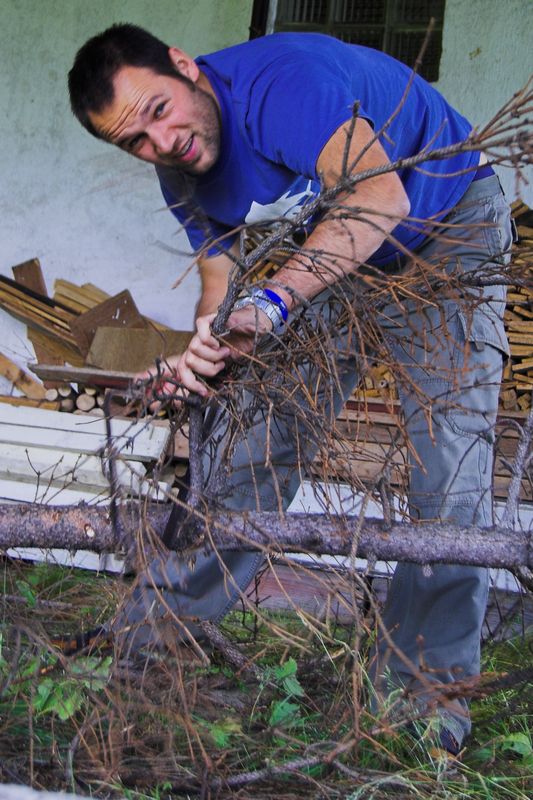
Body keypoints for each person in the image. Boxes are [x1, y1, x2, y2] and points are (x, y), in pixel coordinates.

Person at [68, 24, 513, 754]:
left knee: (450, 472)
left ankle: (424, 702)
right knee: (254, 443)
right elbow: (218, 281)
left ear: (185, 67)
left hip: (444, 227)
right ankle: (149, 646)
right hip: (331, 254)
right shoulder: (178, 168)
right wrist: (203, 353)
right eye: (132, 141)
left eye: (156, 111)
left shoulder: (282, 86)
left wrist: (272, 303)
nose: (158, 142)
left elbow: (377, 200)